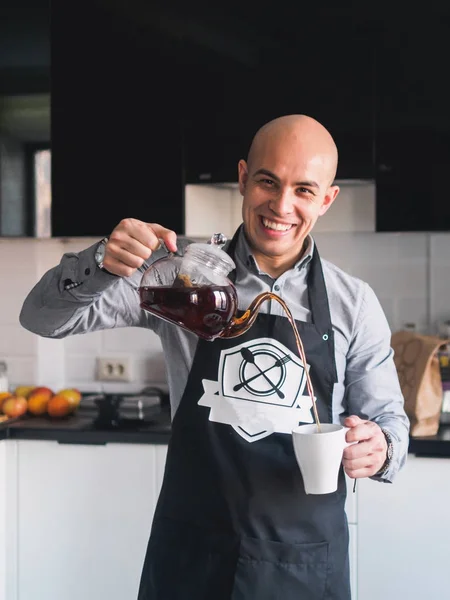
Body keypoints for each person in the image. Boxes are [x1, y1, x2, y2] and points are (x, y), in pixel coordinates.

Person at [19, 114, 410, 600]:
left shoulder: (354, 302)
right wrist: (100, 263)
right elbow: (41, 319)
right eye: (268, 181)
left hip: (305, 563)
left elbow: (390, 422)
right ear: (243, 178)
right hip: (192, 556)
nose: (281, 205)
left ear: (327, 199)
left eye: (304, 190)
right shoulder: (179, 275)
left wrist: (380, 448)